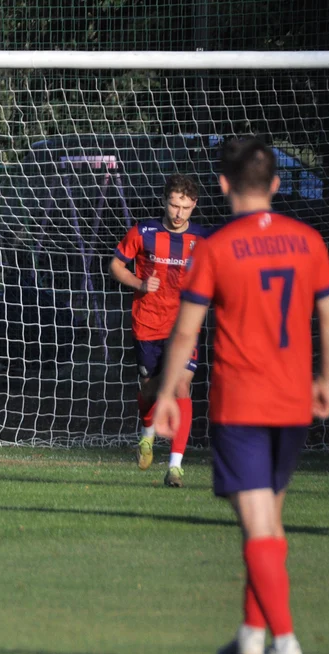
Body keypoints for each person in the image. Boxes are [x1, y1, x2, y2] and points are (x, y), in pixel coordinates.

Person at [154, 137, 329, 654]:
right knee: (268, 524)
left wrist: (167, 393)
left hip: (242, 405)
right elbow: (328, 316)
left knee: (258, 526)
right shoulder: (308, 241)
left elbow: (186, 332)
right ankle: (252, 635)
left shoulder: (216, 247)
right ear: (276, 185)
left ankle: (285, 640)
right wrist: (326, 377)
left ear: (223, 184)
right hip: (293, 401)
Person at [110, 174, 210, 486]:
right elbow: (115, 266)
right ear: (164, 201)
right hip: (148, 323)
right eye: (173, 204)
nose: (178, 212)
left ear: (193, 205)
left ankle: (175, 467)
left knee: (181, 386)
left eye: (185, 206)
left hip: (183, 325)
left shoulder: (203, 239)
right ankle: (147, 431)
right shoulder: (144, 232)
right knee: (150, 389)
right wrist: (140, 283)